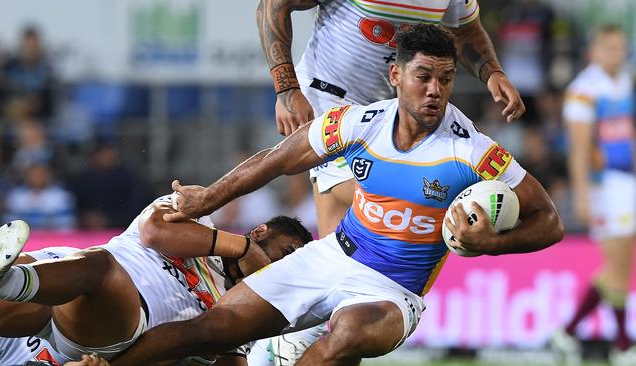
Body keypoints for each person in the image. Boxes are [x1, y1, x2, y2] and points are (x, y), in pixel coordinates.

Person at [91, 24, 562, 366]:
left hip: (393, 292)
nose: (435, 90)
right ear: (395, 76)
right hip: (332, 256)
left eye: (445, 78)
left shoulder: (473, 150)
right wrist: (206, 199)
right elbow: (276, 160)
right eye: (423, 76)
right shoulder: (359, 123)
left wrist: (490, 245)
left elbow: (550, 222)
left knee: (345, 338)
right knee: (209, 330)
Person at [259, 1, 526, 358]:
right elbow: (273, 5)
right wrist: (287, 88)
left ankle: (296, 341)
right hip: (331, 102)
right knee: (406, 199)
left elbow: (466, 28)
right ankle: (288, 341)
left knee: (352, 293)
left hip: (396, 111)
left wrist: (492, 72)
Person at [0, 195, 312, 364]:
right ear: (259, 232)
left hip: (109, 325)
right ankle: (2, 280)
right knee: (44, 267)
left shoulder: (241, 309)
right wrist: (241, 247)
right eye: (285, 253)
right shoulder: (199, 216)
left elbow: (181, 352)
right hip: (62, 272)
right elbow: (154, 230)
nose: (280, 267)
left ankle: (4, 282)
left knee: (101, 269)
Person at [549, 24, 636, 366]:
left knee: (621, 265)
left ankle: (585, 334)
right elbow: (580, 149)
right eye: (610, 48)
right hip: (604, 186)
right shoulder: (583, 90)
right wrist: (583, 194)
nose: (617, 54)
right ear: (593, 52)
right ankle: (619, 342)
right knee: (617, 266)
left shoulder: (624, 81)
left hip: (625, 181)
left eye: (621, 48)